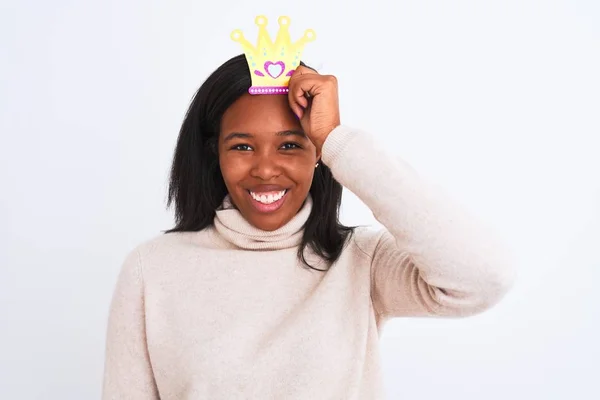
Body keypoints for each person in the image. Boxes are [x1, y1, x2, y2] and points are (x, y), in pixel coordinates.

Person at [101, 54, 516, 399]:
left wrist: (337, 139)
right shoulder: (152, 270)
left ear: (317, 155)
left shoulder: (361, 262)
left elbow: (483, 276)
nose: (265, 169)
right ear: (215, 154)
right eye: (242, 146)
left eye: (290, 145)